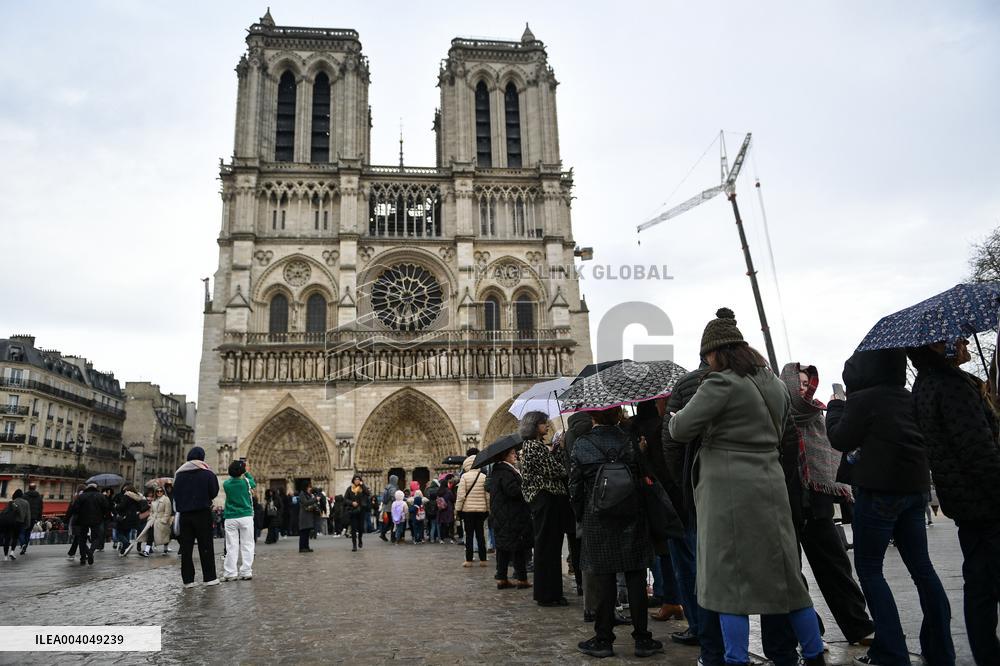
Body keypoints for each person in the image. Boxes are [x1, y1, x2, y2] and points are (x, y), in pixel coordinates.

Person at [668, 308, 825, 666]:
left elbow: (680, 430)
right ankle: (814, 655)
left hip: (728, 492)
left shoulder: (721, 383)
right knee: (787, 581)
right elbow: (784, 429)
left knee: (727, 584)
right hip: (770, 485)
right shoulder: (773, 383)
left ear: (716, 352)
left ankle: (735, 659)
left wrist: (677, 415)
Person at [826, 349, 953, 666]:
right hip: (915, 489)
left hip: (880, 491)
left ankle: (892, 652)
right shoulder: (907, 396)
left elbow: (841, 438)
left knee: (870, 570)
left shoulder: (864, 398)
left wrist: (836, 406)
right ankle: (940, 650)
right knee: (923, 569)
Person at [910, 338, 996, 665]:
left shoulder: (925, 386)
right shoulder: (952, 387)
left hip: (963, 501)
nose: (962, 341)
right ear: (935, 348)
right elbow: (978, 451)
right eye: (954, 338)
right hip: (985, 500)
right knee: (982, 587)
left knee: (980, 587)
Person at [779, 362, 875, 646]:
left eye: (809, 383)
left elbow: (831, 452)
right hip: (786, 501)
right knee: (792, 574)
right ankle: (809, 630)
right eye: (801, 384)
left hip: (816, 502)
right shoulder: (778, 414)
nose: (806, 388)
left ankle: (859, 626)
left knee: (835, 566)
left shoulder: (817, 412)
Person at [570, 405, 661, 659]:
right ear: (617, 414)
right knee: (635, 576)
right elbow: (644, 477)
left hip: (597, 517)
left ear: (593, 415)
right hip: (632, 514)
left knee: (604, 577)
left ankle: (604, 638)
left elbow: (575, 487)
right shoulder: (629, 441)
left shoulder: (582, 444)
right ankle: (642, 639)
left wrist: (582, 513)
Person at [519, 410, 578, 606]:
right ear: (535, 426)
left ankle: (549, 593)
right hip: (546, 499)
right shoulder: (534, 447)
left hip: (542, 499)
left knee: (547, 546)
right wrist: (561, 453)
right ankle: (548, 594)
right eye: (544, 423)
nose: (546, 426)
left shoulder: (530, 446)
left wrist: (552, 451)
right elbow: (554, 471)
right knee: (548, 547)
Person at [173, 446, 221, 588]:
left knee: (186, 548)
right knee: (205, 545)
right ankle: (209, 577)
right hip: (202, 513)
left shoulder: (179, 474)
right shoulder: (207, 474)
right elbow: (214, 491)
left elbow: (175, 494)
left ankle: (188, 580)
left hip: (185, 516)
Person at [487, 445, 533, 590]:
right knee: (518, 547)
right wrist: (526, 485)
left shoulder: (497, 471)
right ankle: (522, 578)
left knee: (503, 548)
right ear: (505, 455)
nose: (516, 455)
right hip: (512, 515)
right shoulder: (506, 471)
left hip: (502, 515)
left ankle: (501, 578)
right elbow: (512, 491)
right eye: (513, 453)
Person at [221, 459, 256, 580]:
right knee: (247, 544)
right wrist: (246, 472)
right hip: (245, 516)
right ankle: (246, 571)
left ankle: (230, 573)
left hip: (231, 517)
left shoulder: (226, 484)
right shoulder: (246, 482)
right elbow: (254, 484)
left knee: (231, 546)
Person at [454, 449, 490, 567]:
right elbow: (487, 496)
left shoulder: (464, 477)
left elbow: (461, 496)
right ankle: (483, 559)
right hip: (481, 511)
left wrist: (458, 510)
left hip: (468, 511)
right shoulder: (483, 476)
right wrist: (488, 509)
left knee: (469, 536)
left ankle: (469, 560)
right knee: (481, 535)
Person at [63, 483, 109, 566]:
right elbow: (106, 509)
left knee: (82, 539)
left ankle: (83, 558)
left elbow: (74, 509)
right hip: (97, 520)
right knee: (96, 538)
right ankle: (91, 552)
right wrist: (106, 518)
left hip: (82, 520)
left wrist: (66, 520)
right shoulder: (100, 496)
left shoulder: (82, 496)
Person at [115, 485, 148, 557]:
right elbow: (141, 508)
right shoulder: (137, 497)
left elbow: (122, 506)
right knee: (127, 532)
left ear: (128, 491)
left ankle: (127, 544)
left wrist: (117, 506)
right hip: (133, 518)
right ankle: (123, 551)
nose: (125, 492)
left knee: (119, 533)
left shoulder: (127, 496)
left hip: (125, 517)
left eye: (125, 490)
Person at [1, 489, 31, 561]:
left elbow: (5, 512)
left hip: (10, 522)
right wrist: (27, 524)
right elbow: (28, 515)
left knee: (7, 539)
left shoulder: (12, 502)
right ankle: (12, 552)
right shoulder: (26, 503)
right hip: (20, 522)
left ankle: (5, 556)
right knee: (15, 538)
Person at [344, 474, 370, 552]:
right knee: (353, 529)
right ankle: (354, 545)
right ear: (353, 480)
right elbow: (345, 499)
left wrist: (363, 485)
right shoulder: (349, 489)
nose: (357, 481)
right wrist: (352, 503)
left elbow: (368, 493)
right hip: (353, 510)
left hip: (361, 510)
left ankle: (360, 539)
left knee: (361, 528)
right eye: (355, 479)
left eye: (358, 479)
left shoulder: (362, 488)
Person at [20, 482, 43, 556]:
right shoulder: (39, 497)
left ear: (29, 488)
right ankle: (25, 547)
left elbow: (21, 506)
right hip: (33, 517)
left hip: (25, 517)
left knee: (22, 532)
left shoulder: (24, 496)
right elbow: (40, 508)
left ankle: (23, 544)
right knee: (28, 532)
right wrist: (39, 518)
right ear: (35, 488)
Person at [149, 486, 173, 556]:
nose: (159, 492)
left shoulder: (166, 499)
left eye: (161, 491)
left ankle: (165, 548)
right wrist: (150, 518)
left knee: (165, 534)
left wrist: (164, 520)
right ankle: (147, 550)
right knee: (150, 532)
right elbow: (151, 511)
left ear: (163, 492)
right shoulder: (154, 500)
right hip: (154, 520)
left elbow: (168, 511)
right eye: (157, 491)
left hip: (162, 520)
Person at [297, 484, 318, 552]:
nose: (310, 489)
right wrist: (315, 499)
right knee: (303, 532)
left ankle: (306, 547)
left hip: (308, 515)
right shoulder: (302, 494)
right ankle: (302, 547)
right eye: (309, 487)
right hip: (304, 516)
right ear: (305, 488)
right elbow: (306, 503)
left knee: (307, 532)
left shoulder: (308, 494)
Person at [379, 474, 399, 542]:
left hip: (386, 507)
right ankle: (392, 537)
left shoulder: (387, 487)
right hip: (391, 507)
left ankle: (383, 534)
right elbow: (393, 497)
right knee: (393, 522)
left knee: (389, 522)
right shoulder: (393, 488)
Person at [437, 477, 456, 544]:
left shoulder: (439, 491)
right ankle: (451, 538)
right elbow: (453, 499)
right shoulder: (448, 491)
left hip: (441, 509)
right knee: (451, 524)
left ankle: (442, 539)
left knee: (442, 524)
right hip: (448, 508)